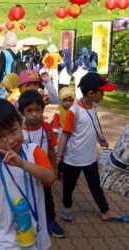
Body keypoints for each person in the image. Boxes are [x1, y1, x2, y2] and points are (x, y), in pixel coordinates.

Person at [0, 99, 55, 249]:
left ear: (20, 122)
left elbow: (49, 177)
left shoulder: (34, 151)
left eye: (13, 131)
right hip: (5, 241)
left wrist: (22, 164)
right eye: (0, 137)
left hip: (37, 235)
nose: (10, 141)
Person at [57, 72, 128, 222]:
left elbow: (93, 125)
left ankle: (105, 211)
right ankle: (67, 209)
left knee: (95, 185)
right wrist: (59, 155)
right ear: (91, 93)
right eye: (101, 91)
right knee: (69, 185)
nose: (103, 94)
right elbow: (64, 134)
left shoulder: (93, 106)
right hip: (73, 159)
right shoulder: (74, 111)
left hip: (89, 157)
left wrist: (100, 139)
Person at [19, 90, 66, 238]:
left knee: (47, 198)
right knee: (27, 198)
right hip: (25, 173)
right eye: (29, 111)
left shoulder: (46, 128)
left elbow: (51, 149)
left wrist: (55, 167)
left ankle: (51, 221)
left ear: (42, 110)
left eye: (38, 110)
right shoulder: (19, 130)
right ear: (22, 112)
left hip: (44, 172)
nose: (34, 114)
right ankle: (31, 223)